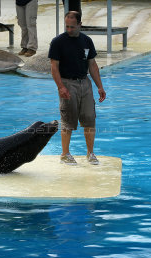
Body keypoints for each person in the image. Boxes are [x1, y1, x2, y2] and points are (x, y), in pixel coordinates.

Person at [48, 11, 106, 165]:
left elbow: (92, 65)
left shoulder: (87, 41)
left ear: (80, 25)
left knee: (90, 119)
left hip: (84, 82)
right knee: (68, 120)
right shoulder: (58, 42)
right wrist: (60, 87)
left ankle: (90, 153)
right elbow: (54, 67)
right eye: (67, 26)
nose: (69, 29)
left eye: (72, 27)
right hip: (67, 83)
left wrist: (99, 86)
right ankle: (65, 154)